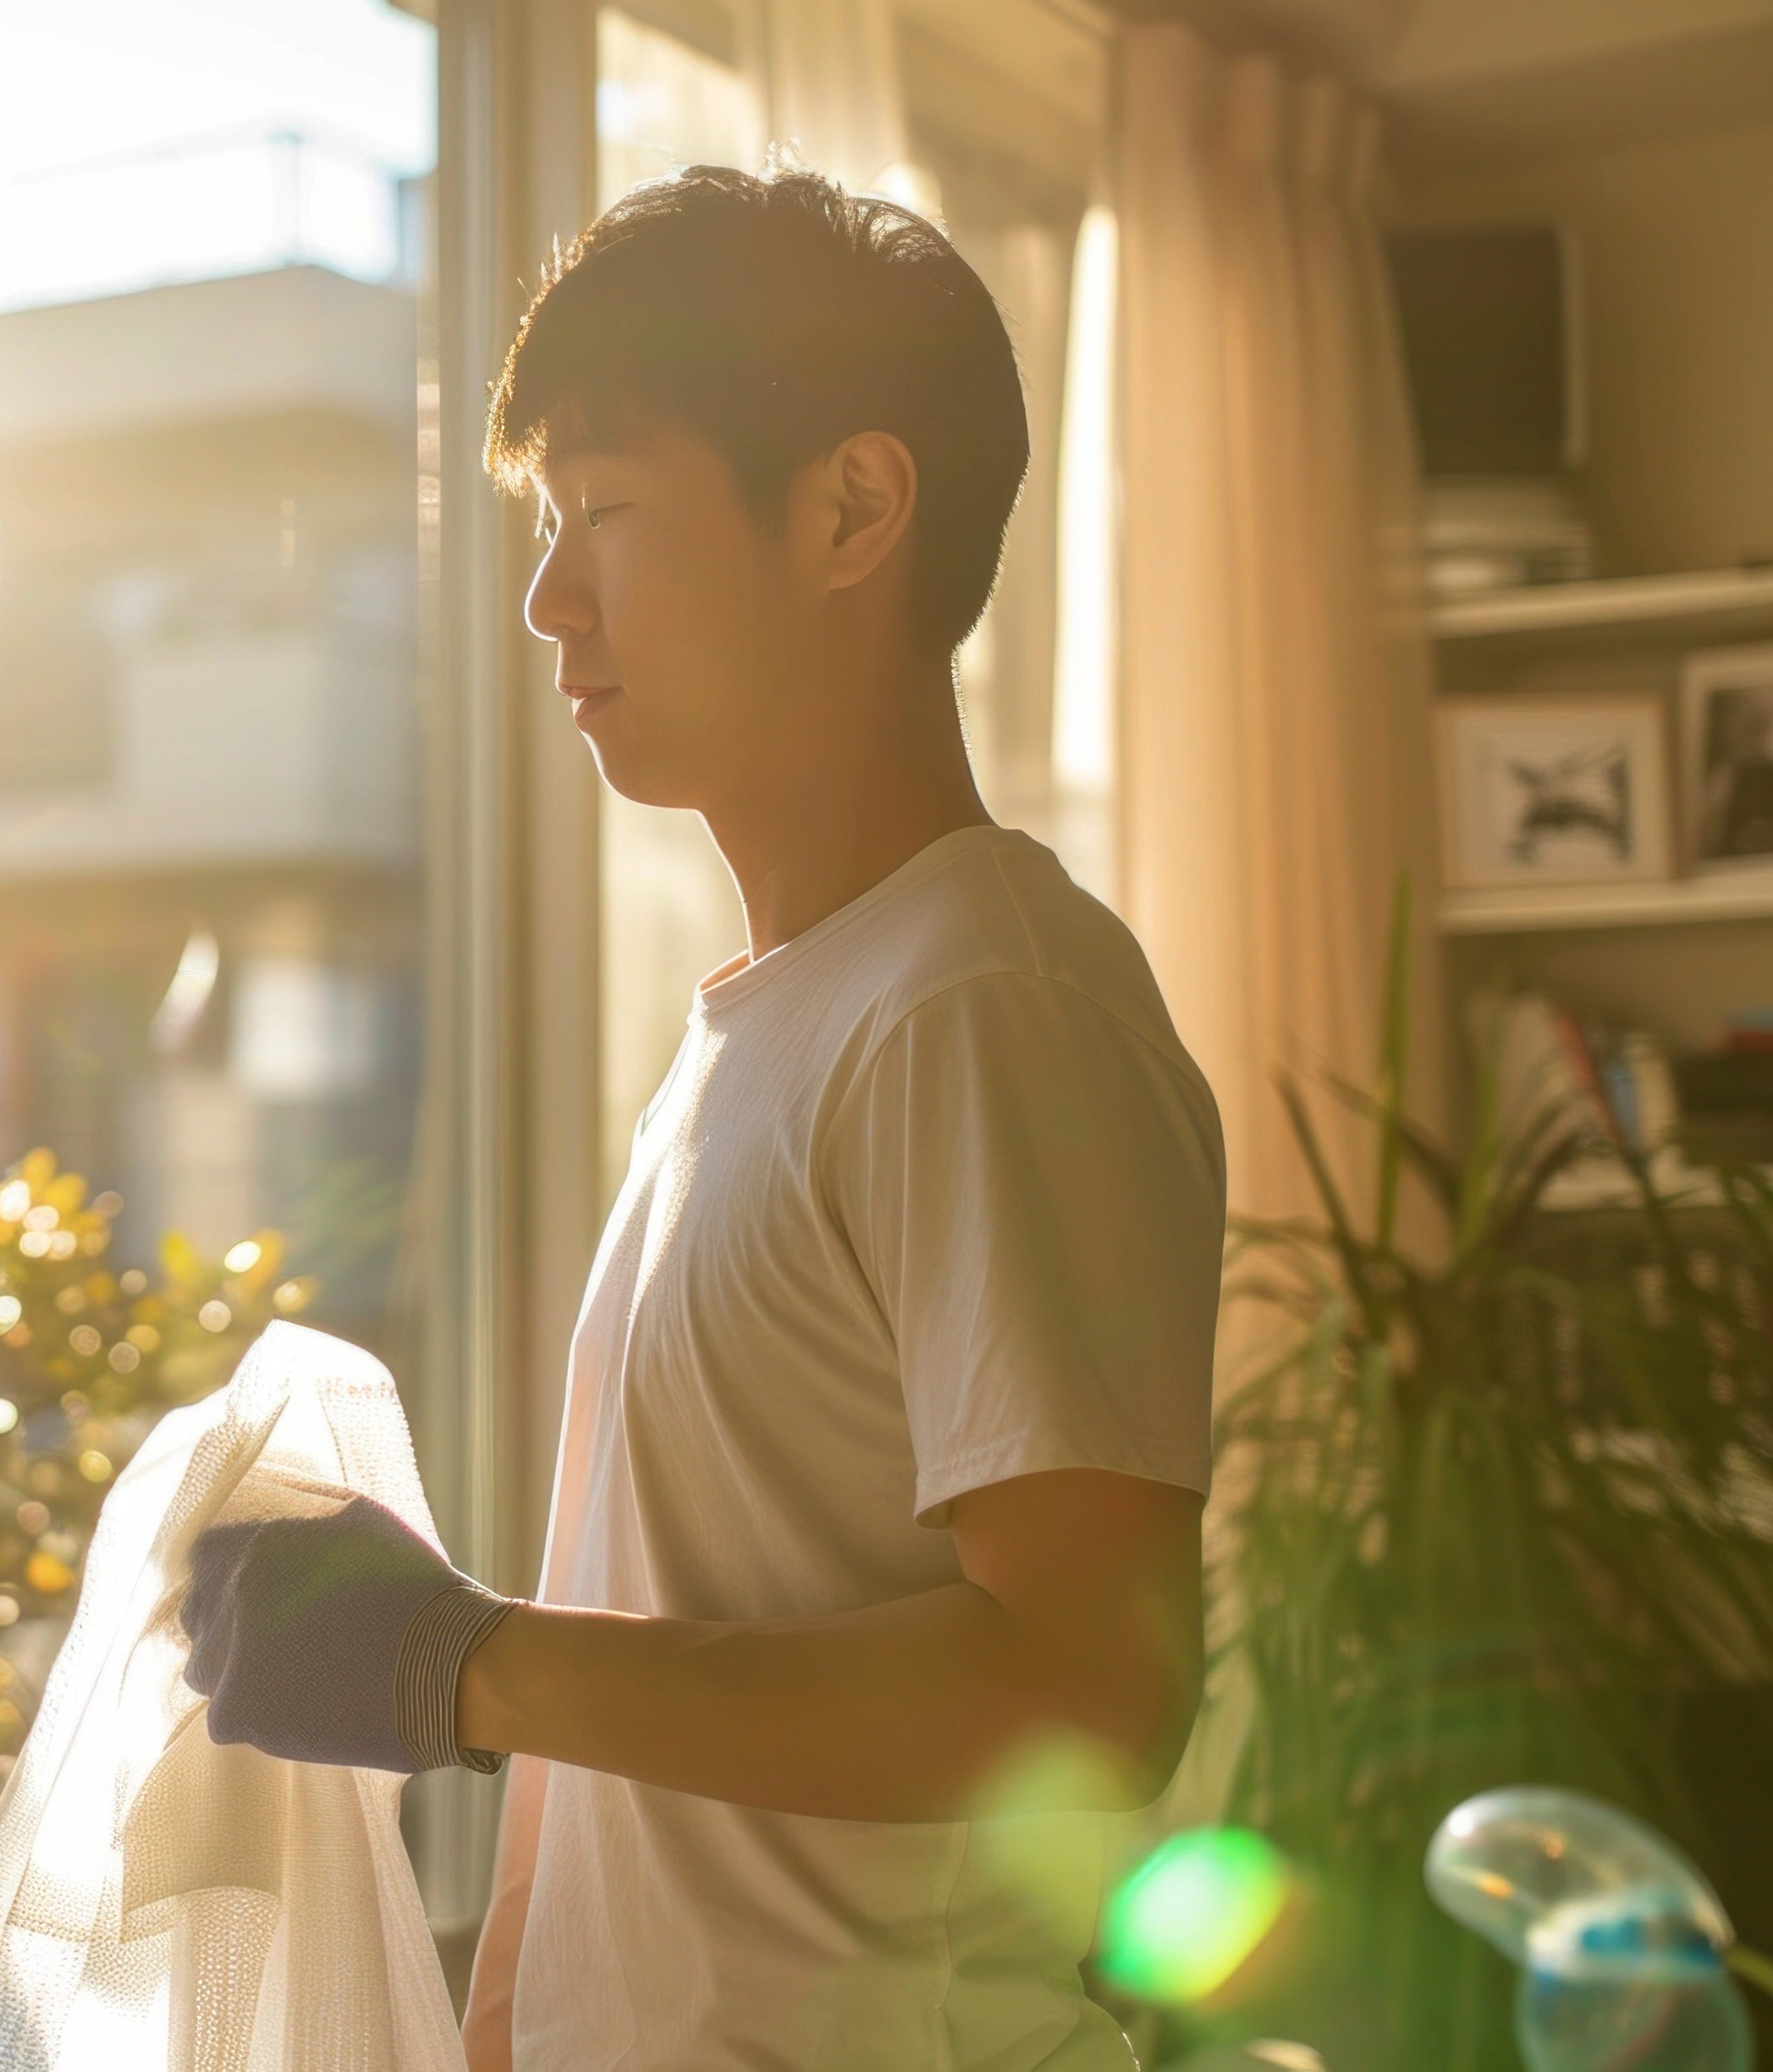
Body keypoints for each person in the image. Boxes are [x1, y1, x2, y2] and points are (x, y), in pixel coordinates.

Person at [174, 166, 1226, 2070]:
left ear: (852, 508)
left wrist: (459, 1665)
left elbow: (1091, 1689)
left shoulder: (987, 1003)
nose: (545, 595)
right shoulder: (774, 1021)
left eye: (608, 515)